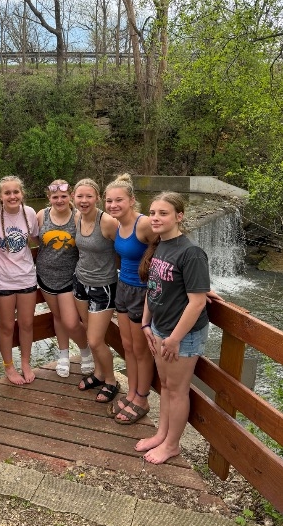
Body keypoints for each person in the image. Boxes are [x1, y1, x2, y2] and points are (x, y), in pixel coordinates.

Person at [135, 191, 211, 464]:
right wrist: (146, 322)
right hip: (160, 327)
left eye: (163, 213)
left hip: (183, 336)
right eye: (152, 213)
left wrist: (175, 338)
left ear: (179, 216)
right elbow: (153, 287)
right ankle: (162, 435)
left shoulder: (191, 253)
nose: (155, 218)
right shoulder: (161, 245)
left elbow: (197, 302)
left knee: (177, 391)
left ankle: (172, 445)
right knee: (165, 386)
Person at [104, 173, 157, 423]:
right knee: (127, 346)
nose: (113, 205)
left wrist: (196, 284)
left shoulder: (144, 224)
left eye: (119, 200)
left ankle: (142, 399)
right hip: (123, 287)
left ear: (132, 200)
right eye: (109, 201)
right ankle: (132, 393)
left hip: (142, 291)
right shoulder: (117, 225)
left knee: (141, 349)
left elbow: (172, 245)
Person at [0, 175, 39, 385]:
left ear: (22, 194)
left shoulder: (29, 212)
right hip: (2, 280)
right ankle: (9, 366)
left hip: (26, 277)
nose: (12, 196)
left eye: (16, 192)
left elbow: (37, 238)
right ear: (0, 196)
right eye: (7, 193)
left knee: (27, 324)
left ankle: (25, 362)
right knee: (6, 326)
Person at [36, 180, 94, 378]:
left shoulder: (78, 217)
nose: (59, 200)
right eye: (55, 197)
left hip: (70, 277)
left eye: (63, 196)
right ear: (49, 198)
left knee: (71, 322)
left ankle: (85, 350)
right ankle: (63, 355)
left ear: (70, 196)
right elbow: (35, 240)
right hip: (45, 276)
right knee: (58, 317)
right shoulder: (41, 215)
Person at [73, 178, 120, 403]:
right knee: (88, 330)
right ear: (74, 198)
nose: (84, 201)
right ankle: (99, 373)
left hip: (103, 286)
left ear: (97, 198)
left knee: (94, 340)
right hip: (81, 281)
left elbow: (129, 245)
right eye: (80, 196)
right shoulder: (76, 217)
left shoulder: (108, 222)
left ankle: (111, 380)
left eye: (89, 196)